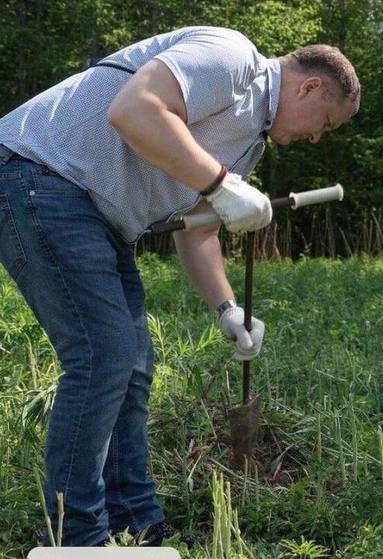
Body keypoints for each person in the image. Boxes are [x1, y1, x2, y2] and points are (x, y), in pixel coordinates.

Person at [0, 26, 360, 546]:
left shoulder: (248, 147)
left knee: (133, 361)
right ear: (308, 88)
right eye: (324, 122)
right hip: (39, 173)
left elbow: (201, 232)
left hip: (92, 213)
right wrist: (220, 183)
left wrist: (227, 309)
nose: (316, 137)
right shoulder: (231, 58)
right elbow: (134, 109)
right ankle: (74, 533)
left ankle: (134, 518)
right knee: (103, 353)